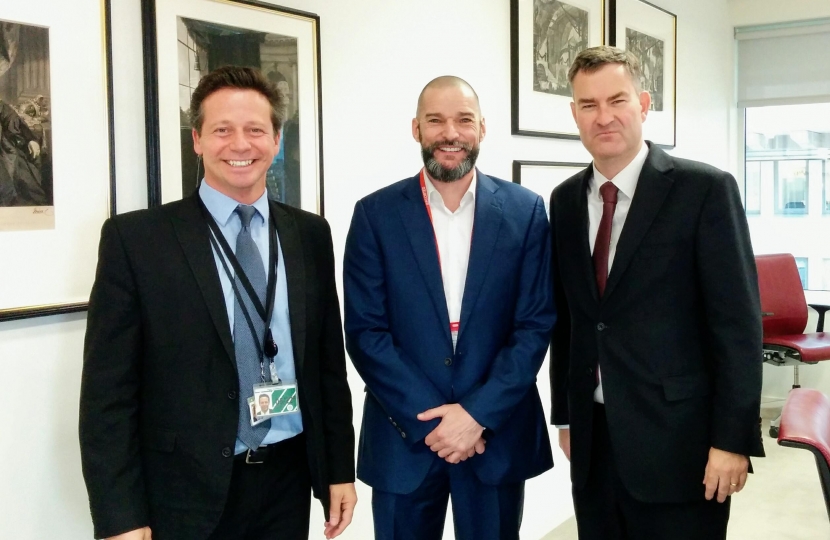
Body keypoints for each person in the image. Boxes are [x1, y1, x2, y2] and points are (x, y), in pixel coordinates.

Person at [79, 65, 356, 540]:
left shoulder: (310, 234)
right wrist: (120, 515)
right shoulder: (138, 240)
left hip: (287, 480)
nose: (240, 145)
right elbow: (107, 396)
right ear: (197, 140)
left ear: (276, 139)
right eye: (222, 130)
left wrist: (338, 469)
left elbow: (327, 366)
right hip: (182, 491)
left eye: (255, 130)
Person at [549, 46, 764, 540]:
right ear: (574, 114)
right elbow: (570, 317)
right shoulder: (563, 201)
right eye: (588, 105)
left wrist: (731, 441)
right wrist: (565, 413)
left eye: (617, 100)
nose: (603, 117)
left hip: (680, 442)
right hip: (594, 438)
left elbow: (737, 325)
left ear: (644, 105)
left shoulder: (703, 190)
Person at [344, 76, 555, 540]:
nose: (450, 134)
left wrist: (476, 414)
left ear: (482, 128)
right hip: (406, 437)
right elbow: (365, 332)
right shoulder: (375, 215)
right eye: (435, 121)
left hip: (492, 435)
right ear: (416, 129)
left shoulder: (525, 211)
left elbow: (534, 324)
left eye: (463, 120)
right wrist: (437, 422)